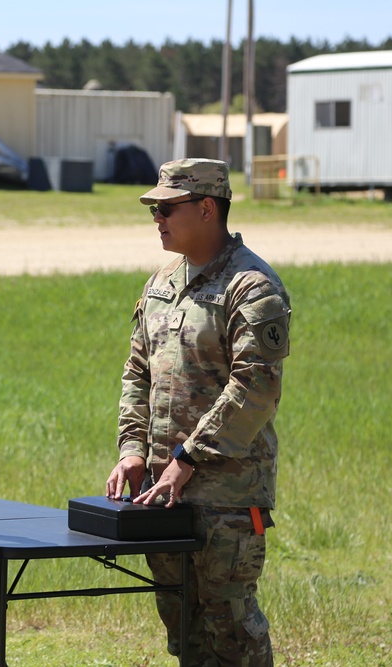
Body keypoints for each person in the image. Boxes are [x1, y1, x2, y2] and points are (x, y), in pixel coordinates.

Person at [105, 158, 290, 666]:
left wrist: (188, 457)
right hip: (160, 495)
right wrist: (133, 449)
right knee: (183, 629)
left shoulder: (251, 287)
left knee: (231, 630)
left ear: (207, 209)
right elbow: (137, 371)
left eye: (167, 208)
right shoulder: (160, 283)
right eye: (154, 210)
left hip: (226, 494)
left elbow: (255, 387)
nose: (157, 219)